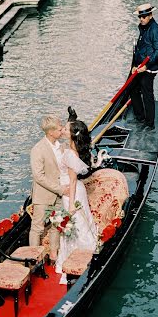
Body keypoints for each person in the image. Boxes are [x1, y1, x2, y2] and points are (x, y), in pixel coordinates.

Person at [55, 120, 98, 284]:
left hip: (73, 194)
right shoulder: (69, 150)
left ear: (72, 134)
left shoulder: (71, 154)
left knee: (76, 226)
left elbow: (72, 181)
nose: (63, 130)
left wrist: (72, 204)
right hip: (71, 192)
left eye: (66, 128)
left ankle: (80, 259)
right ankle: (69, 260)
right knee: (72, 227)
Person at [30, 115, 70, 262]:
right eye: (60, 129)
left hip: (59, 194)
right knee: (38, 228)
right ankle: (34, 258)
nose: (62, 131)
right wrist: (60, 189)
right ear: (51, 132)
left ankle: (53, 254)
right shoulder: (38, 149)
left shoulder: (62, 146)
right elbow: (38, 177)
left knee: (56, 224)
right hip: (44, 195)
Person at [130, 3, 158, 130]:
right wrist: (135, 65)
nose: (141, 19)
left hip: (149, 68)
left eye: (144, 17)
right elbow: (140, 49)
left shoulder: (155, 30)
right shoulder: (143, 28)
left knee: (147, 94)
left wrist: (146, 65)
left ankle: (150, 124)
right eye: (140, 17)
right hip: (140, 66)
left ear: (150, 15)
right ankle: (140, 117)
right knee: (132, 89)